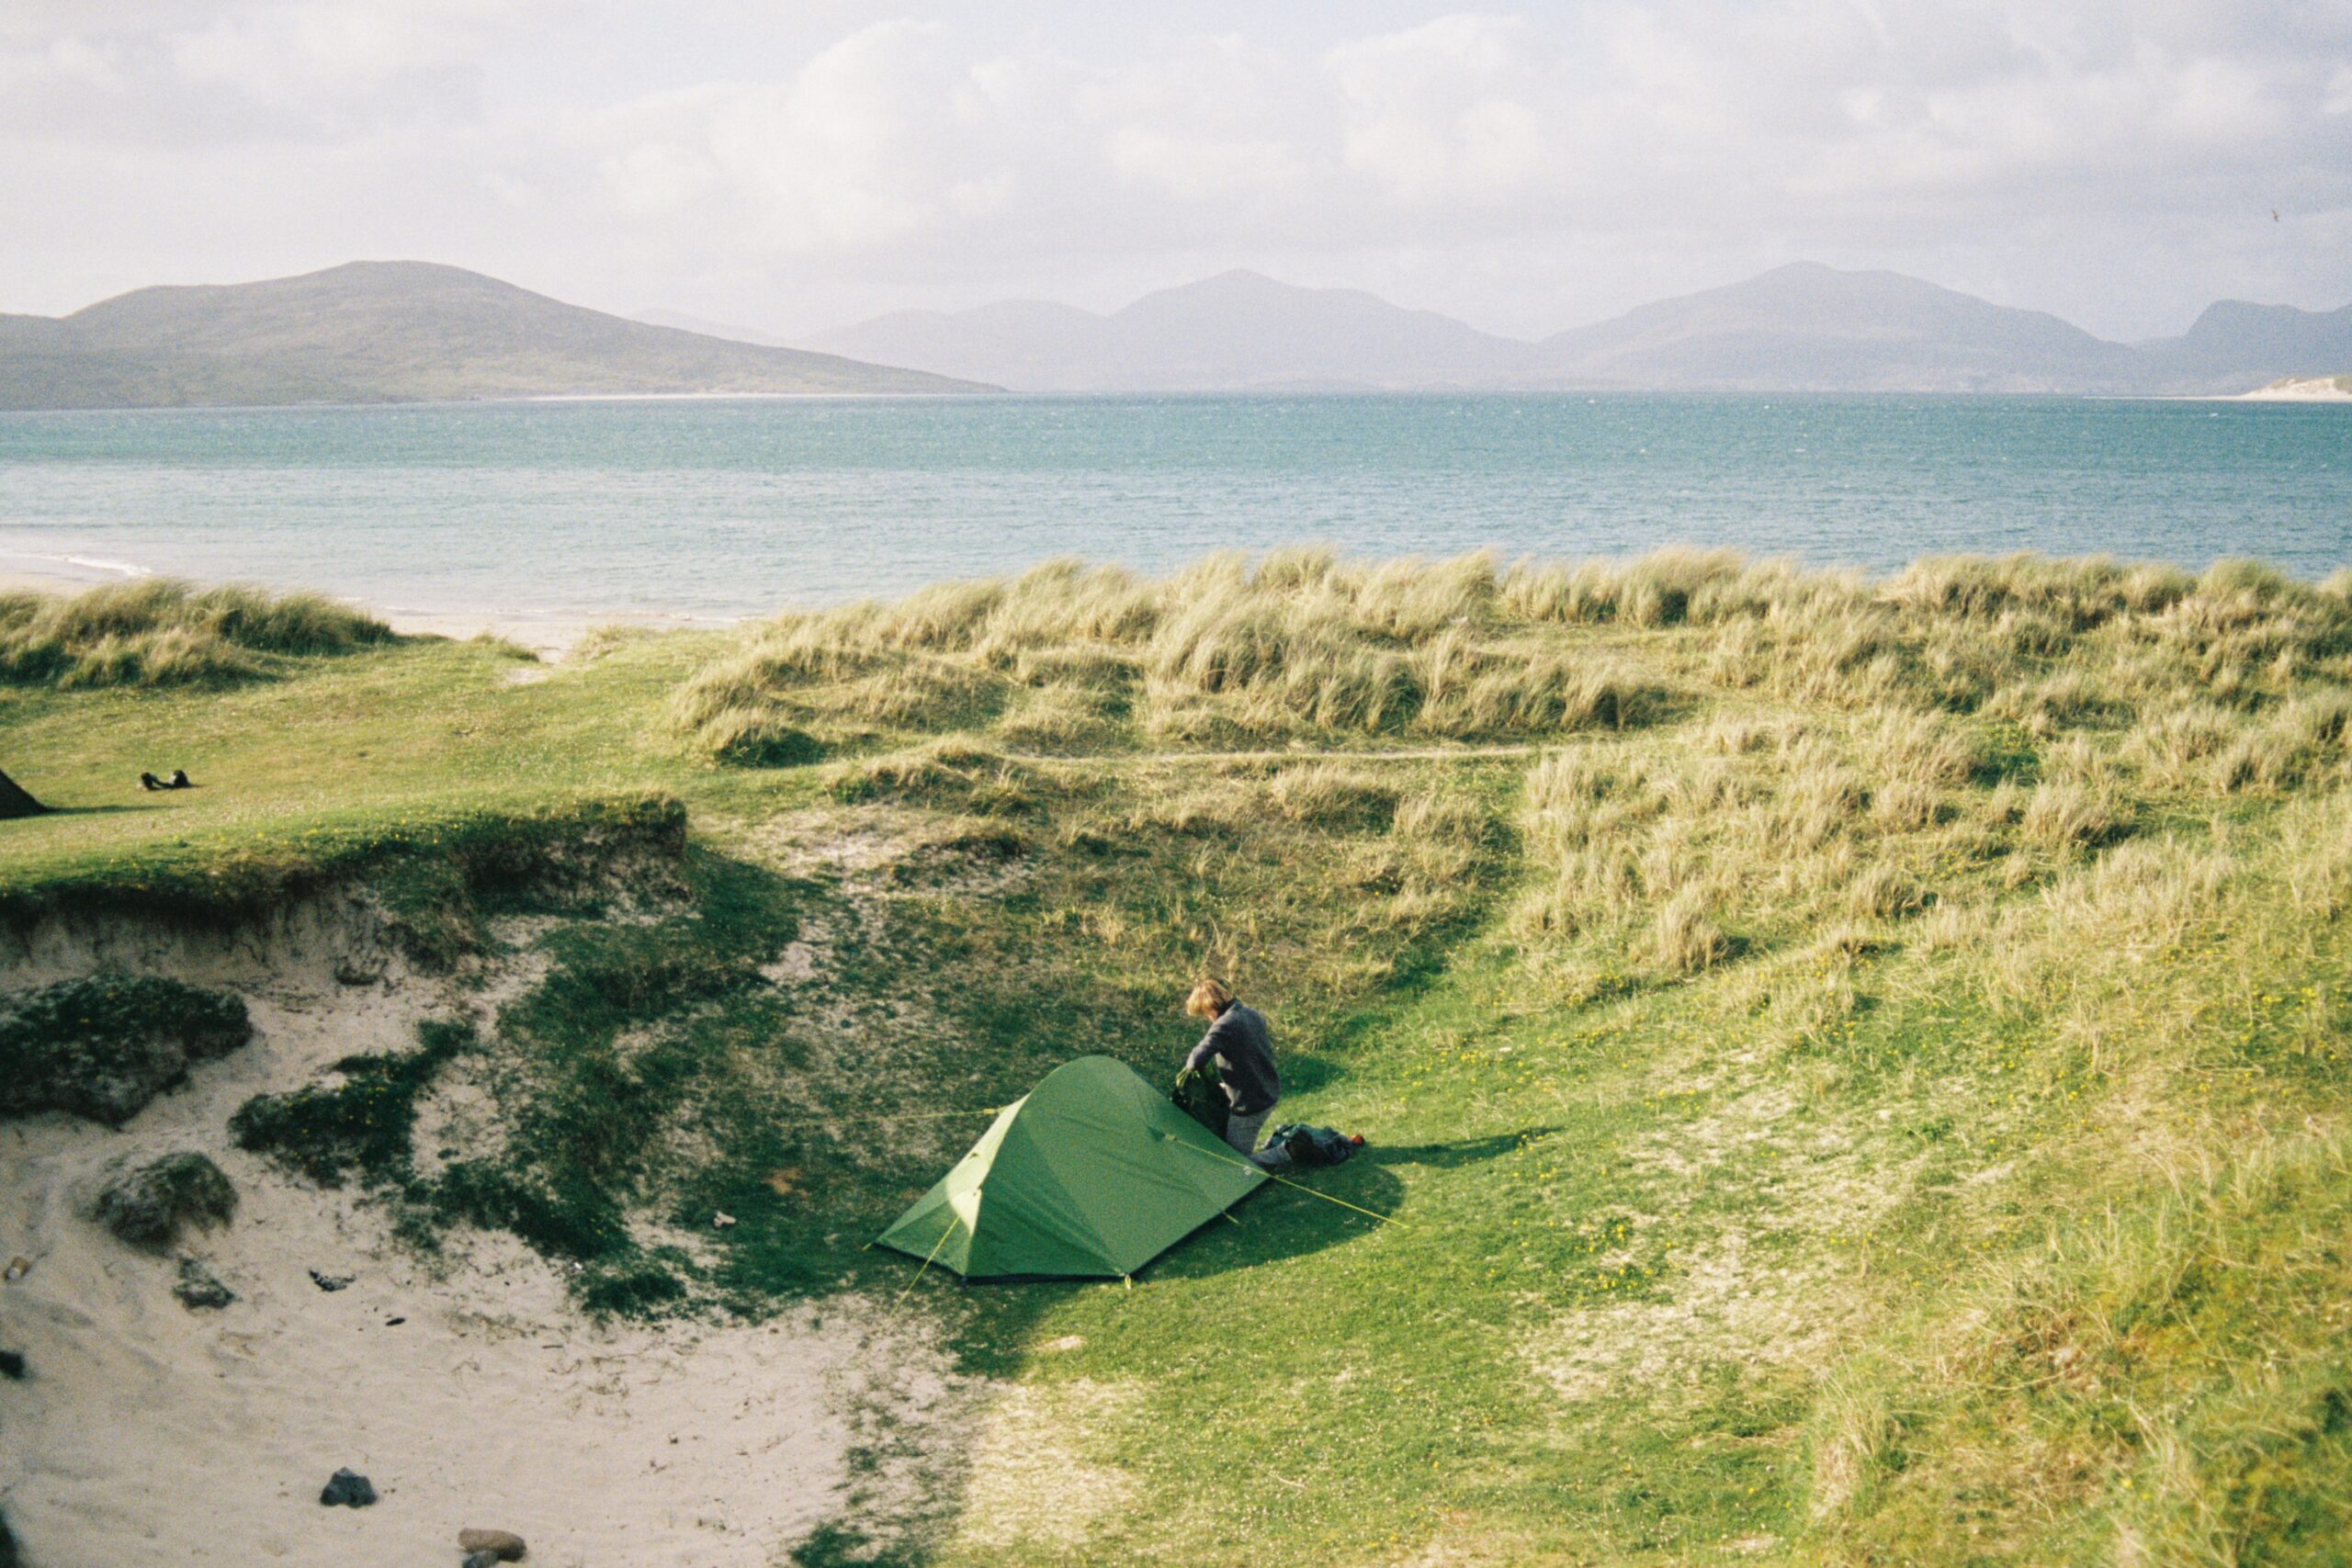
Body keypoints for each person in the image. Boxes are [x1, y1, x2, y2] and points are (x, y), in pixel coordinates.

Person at [1181, 978, 1287, 1168]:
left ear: (1211, 1006)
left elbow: (1194, 1061)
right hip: (1267, 1089)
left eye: (1205, 1012)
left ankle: (1286, 1152)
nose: (1207, 1018)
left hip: (1250, 1105)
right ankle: (1280, 1148)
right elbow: (1246, 1056)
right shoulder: (1250, 1013)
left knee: (1234, 1163)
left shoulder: (1225, 1024)